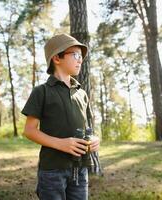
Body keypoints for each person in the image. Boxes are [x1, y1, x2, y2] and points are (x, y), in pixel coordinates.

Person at [21, 33, 100, 200]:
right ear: (57, 58)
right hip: (52, 170)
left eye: (82, 56)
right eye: (76, 55)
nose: (80, 60)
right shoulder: (41, 92)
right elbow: (29, 131)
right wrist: (61, 144)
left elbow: (88, 127)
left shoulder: (82, 93)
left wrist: (94, 138)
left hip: (80, 168)